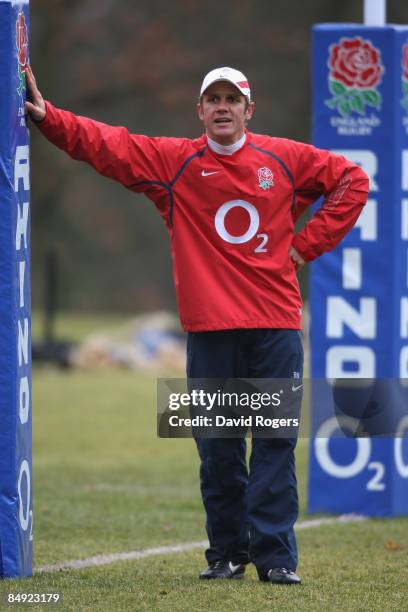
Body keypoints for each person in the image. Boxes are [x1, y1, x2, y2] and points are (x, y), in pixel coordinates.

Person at [25, 65, 369, 584]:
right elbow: (108, 145)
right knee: (218, 449)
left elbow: (352, 180)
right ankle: (227, 555)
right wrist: (50, 119)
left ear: (249, 110)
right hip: (209, 329)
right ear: (200, 111)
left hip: (274, 326)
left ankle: (276, 560)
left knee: (274, 442)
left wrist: (303, 246)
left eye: (233, 98)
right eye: (214, 99)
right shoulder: (174, 161)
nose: (223, 106)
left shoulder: (286, 157)